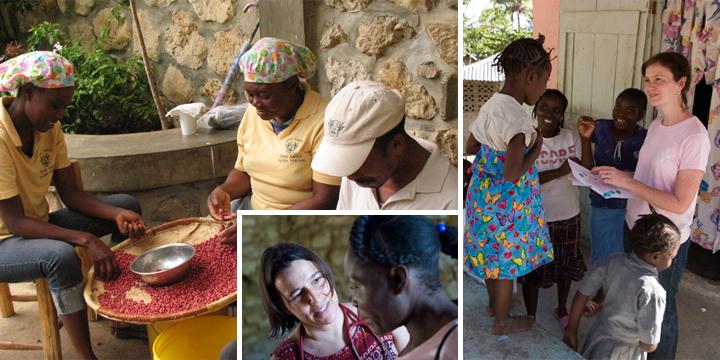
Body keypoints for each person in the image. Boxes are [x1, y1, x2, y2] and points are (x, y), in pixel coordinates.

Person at [0, 51, 146, 360]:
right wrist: (85, 239)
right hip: (7, 240)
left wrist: (118, 214)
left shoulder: (50, 130)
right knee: (61, 257)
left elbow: (71, 194)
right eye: (55, 105)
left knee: (125, 203)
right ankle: (85, 356)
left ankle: (122, 316)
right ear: (27, 93)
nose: (60, 114)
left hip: (36, 224)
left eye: (64, 105)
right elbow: (15, 223)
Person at [593, 52, 711, 359]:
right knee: (635, 298)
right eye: (648, 80)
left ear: (681, 83)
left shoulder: (695, 136)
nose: (651, 86)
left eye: (659, 79)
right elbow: (648, 178)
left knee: (661, 310)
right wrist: (614, 178)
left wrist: (629, 183)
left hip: (663, 239)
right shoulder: (658, 124)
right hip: (634, 225)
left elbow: (680, 201)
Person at [464, 35, 554, 334]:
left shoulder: (492, 104)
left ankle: (494, 305)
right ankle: (502, 323)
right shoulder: (518, 121)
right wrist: (536, 149)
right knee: (505, 265)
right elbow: (513, 174)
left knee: (492, 257)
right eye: (544, 81)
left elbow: (472, 145)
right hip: (507, 207)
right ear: (530, 77)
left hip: (482, 199)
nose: (544, 89)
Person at [207, 37, 341, 222]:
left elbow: (325, 200)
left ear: (292, 87)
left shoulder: (324, 121)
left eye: (263, 95)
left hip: (297, 222)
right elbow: (244, 171)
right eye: (250, 94)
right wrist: (224, 190)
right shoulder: (253, 114)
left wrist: (260, 225)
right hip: (252, 212)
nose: (255, 102)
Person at [310, 80, 457, 210]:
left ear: (397, 145)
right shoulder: (357, 175)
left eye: (357, 159)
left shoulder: (451, 200)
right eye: (347, 159)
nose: (350, 176)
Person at [562, 212, 681, 359]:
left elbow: (582, 294)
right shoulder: (653, 292)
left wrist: (571, 330)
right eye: (672, 256)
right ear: (656, 256)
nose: (673, 261)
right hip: (626, 353)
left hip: (598, 340)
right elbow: (649, 345)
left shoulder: (612, 261)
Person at [260, 242, 407, 359]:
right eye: (297, 294)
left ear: (326, 275)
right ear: (284, 307)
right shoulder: (287, 357)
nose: (315, 298)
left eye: (317, 280)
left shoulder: (381, 312)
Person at [345, 215, 458, 359]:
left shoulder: (452, 348)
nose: (354, 301)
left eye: (356, 288)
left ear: (398, 279)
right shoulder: (424, 343)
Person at [577, 88, 648, 316]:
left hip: (629, 208)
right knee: (601, 254)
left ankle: (617, 297)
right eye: (618, 106)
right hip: (601, 203)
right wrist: (585, 139)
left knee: (623, 255)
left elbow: (645, 175)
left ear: (641, 114)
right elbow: (588, 168)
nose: (621, 113)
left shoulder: (645, 138)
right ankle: (600, 294)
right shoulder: (601, 128)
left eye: (630, 110)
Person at [521, 89, 586, 329]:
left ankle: (562, 308)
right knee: (533, 271)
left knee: (565, 268)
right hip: (536, 217)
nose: (549, 113)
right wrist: (562, 169)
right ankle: (531, 317)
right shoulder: (526, 139)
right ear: (536, 110)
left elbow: (585, 170)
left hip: (569, 213)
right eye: (545, 107)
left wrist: (585, 140)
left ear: (562, 115)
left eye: (556, 109)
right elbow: (525, 180)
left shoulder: (571, 137)